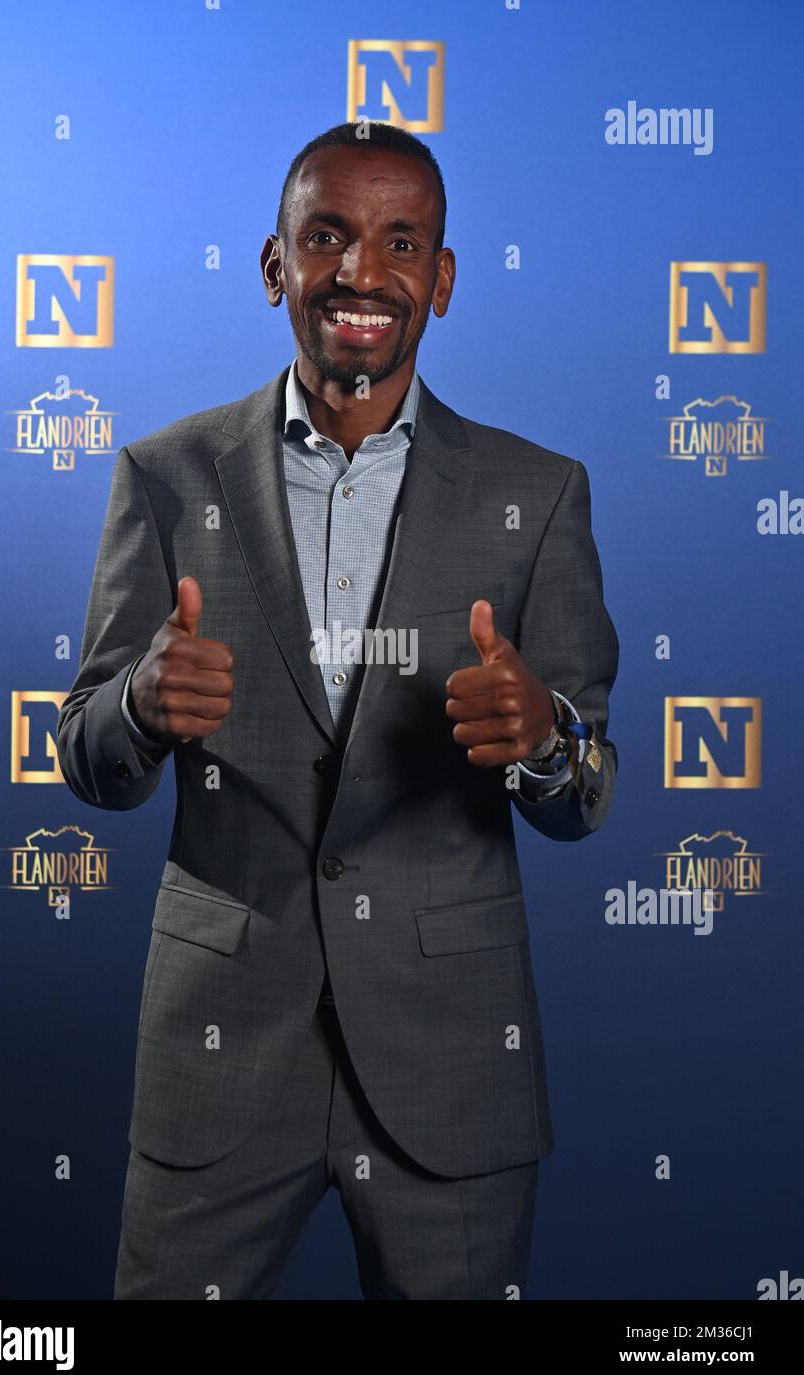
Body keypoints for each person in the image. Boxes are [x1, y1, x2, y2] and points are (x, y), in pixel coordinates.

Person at [56, 120, 619, 1301]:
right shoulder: (166, 475)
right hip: (218, 1054)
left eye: (400, 242)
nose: (362, 272)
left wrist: (546, 742)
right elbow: (85, 752)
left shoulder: (537, 493)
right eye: (327, 237)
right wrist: (145, 708)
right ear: (275, 267)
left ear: (442, 282)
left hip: (448, 1061)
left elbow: (583, 796)